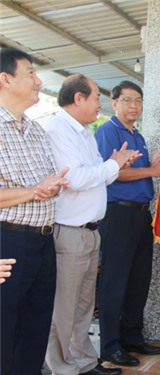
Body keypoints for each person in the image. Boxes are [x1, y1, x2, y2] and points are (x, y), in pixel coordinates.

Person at [44, 74, 140, 375]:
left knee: (84, 305)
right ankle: (60, 368)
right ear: (78, 99)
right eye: (97, 97)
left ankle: (85, 363)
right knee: (64, 307)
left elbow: (97, 174)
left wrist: (113, 164)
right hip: (70, 231)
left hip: (90, 230)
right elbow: (75, 179)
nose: (101, 103)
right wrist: (112, 165)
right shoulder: (58, 130)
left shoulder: (84, 131)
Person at [95, 81, 160, 366]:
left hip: (142, 215)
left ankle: (133, 336)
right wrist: (153, 170)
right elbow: (113, 173)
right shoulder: (108, 131)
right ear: (113, 102)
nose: (134, 106)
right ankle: (110, 345)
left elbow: (140, 172)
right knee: (114, 281)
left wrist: (151, 164)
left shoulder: (137, 135)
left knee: (139, 279)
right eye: (128, 100)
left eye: (138, 101)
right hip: (117, 214)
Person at [0, 47, 70, 375]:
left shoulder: (37, 130)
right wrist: (34, 191)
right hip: (8, 243)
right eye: (30, 73)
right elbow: (33, 190)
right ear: (5, 79)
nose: (39, 81)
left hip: (44, 242)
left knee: (35, 328)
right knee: (5, 331)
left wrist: (51, 186)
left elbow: (44, 184)